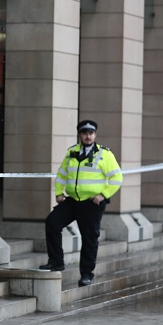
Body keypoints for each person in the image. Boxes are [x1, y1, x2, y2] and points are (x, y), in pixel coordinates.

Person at [39, 120, 123, 287]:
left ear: (95, 135)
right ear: (79, 135)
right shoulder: (71, 152)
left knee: (89, 238)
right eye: (84, 133)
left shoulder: (104, 154)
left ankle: (86, 274)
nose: (87, 136)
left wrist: (103, 195)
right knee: (52, 223)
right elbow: (62, 174)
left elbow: (116, 177)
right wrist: (58, 193)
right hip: (72, 201)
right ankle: (56, 262)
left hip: (92, 202)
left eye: (90, 133)